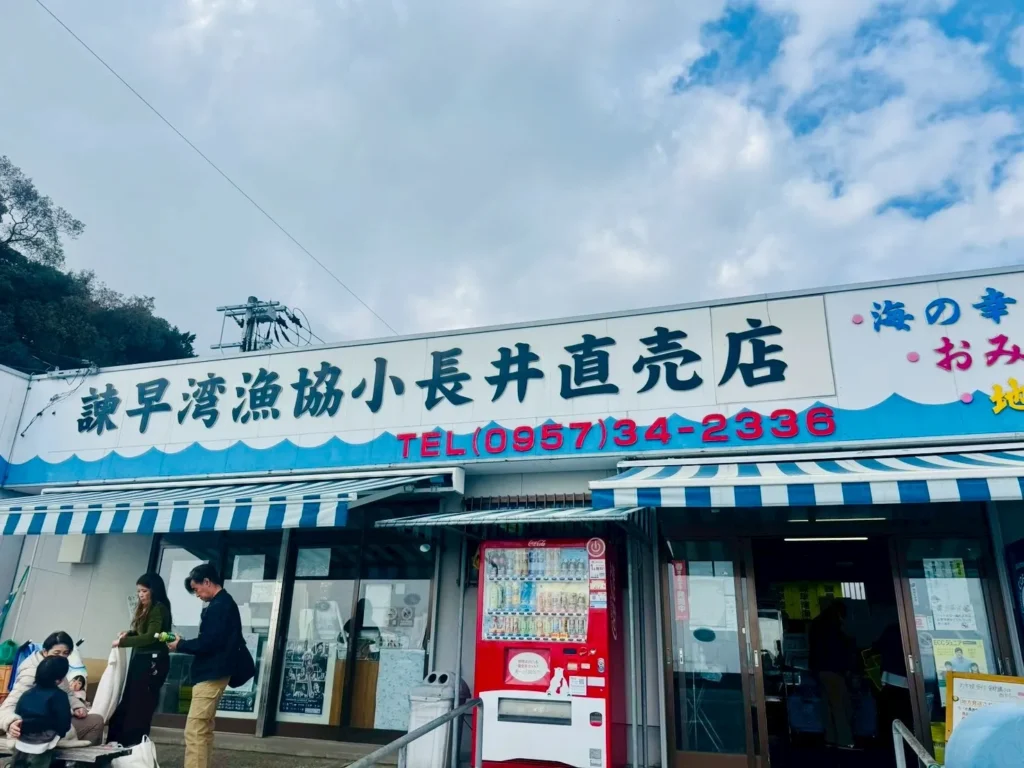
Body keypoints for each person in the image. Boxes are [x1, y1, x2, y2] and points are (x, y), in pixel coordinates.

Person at [167, 564, 242, 768]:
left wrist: (180, 644)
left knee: (195, 730)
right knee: (203, 728)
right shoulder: (223, 603)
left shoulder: (220, 606)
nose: (197, 594)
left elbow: (209, 642)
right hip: (215, 672)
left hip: (211, 673)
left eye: (197, 588)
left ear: (207, 582)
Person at [0, 632, 104, 746]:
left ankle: (76, 760)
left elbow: (68, 693)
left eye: (65, 653)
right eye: (56, 653)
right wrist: (11, 722)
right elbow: (8, 706)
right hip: (34, 731)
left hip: (51, 724)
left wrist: (77, 706)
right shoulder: (31, 673)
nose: (61, 656)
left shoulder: (56, 667)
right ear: (45, 652)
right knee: (95, 723)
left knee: (95, 719)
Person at [106, 573, 173, 747]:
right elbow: (144, 634)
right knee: (129, 703)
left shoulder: (158, 608)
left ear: (153, 590)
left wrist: (124, 642)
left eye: (144, 590)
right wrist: (129, 634)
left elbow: (152, 636)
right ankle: (119, 744)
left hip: (152, 662)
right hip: (141, 660)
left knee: (139, 706)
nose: (141, 594)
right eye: (139, 591)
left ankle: (132, 747)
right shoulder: (145, 608)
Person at [809, 599, 857, 750]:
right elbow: (839, 651)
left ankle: (830, 738)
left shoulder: (817, 624)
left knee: (828, 705)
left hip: (820, 670)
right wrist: (848, 669)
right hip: (833, 670)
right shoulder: (834, 628)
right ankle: (844, 740)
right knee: (841, 706)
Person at [9, 655, 72, 768]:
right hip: (44, 743)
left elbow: (18, 714)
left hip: (22, 739)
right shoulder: (59, 696)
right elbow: (65, 724)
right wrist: (59, 734)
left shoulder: (26, 694)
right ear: (59, 680)